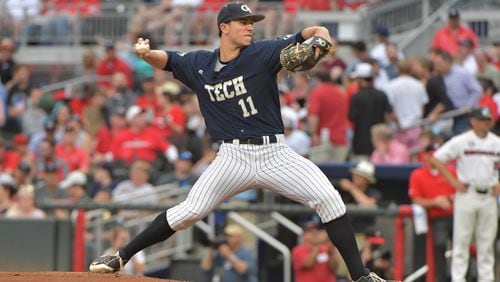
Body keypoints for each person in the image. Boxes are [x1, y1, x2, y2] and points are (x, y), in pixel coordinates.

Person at [90, 3, 385, 281]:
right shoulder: (199, 63)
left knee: (330, 199)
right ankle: (120, 256)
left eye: (251, 23)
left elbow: (310, 32)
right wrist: (145, 54)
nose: (250, 27)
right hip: (233, 157)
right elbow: (166, 60)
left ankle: (361, 276)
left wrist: (322, 37)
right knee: (190, 210)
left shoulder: (262, 53)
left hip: (275, 154)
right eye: (243, 22)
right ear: (224, 27)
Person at [430, 106, 500, 282]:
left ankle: (487, 279)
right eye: (482, 120)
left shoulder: (496, 142)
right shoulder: (462, 140)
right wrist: (453, 182)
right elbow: (437, 159)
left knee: (487, 244)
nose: (486, 124)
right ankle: (458, 279)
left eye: (488, 120)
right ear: (473, 121)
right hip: (467, 193)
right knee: (461, 242)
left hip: (489, 196)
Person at [408, 144, 455, 282]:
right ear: (424, 156)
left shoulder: (450, 171)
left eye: (435, 155)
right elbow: (415, 199)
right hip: (432, 218)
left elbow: (460, 192)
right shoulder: (417, 174)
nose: (432, 158)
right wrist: (435, 202)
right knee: (438, 246)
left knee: (463, 247)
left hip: (454, 216)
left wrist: (446, 199)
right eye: (429, 155)